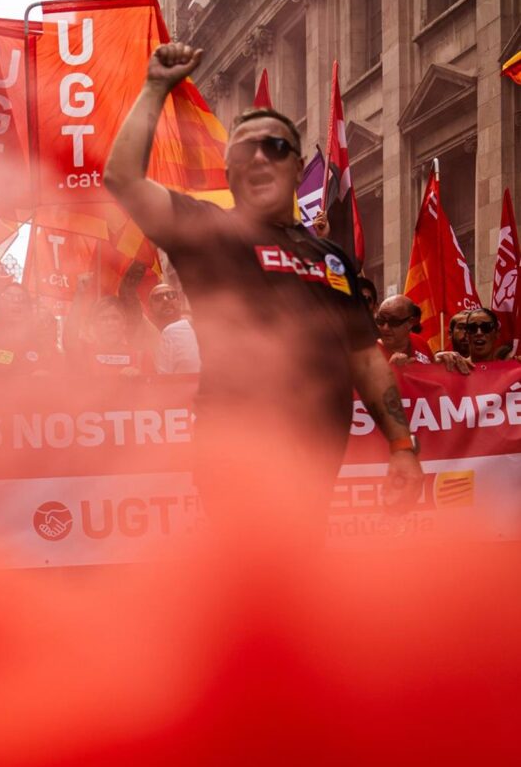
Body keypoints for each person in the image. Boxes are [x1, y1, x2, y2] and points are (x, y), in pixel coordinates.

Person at [104, 41, 423, 530]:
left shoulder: (332, 255)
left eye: (274, 147)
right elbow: (122, 178)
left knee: (296, 583)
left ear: (297, 167)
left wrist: (401, 445)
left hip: (316, 464)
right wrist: (154, 87)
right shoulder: (209, 232)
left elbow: (364, 355)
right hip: (239, 462)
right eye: (243, 150)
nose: (259, 158)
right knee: (261, 582)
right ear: (228, 170)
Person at [374, 295, 434, 365]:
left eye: (393, 322)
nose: (385, 328)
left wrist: (441, 363)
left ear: (410, 322)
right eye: (381, 320)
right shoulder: (367, 353)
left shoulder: (420, 343)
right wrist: (392, 370)